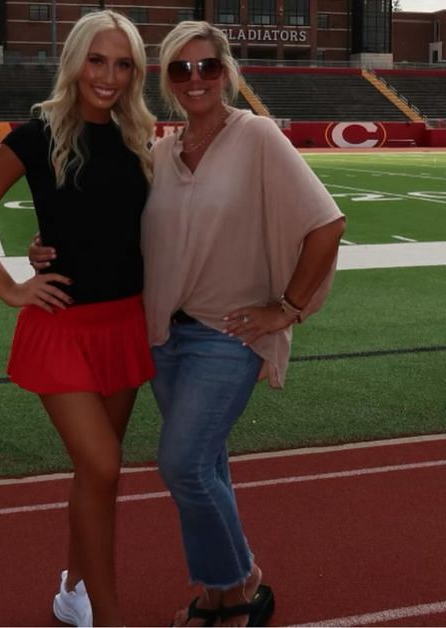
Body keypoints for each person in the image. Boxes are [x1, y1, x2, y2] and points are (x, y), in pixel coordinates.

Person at [0, 11, 156, 627]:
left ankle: (73, 589)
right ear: (75, 61)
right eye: (98, 60)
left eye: (123, 64)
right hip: (62, 325)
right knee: (103, 465)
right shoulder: (37, 134)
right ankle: (111, 615)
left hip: (125, 323)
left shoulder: (138, 135)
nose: (110, 76)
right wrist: (12, 285)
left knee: (98, 475)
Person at [146, 22, 344, 627]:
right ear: (168, 81)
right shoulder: (161, 151)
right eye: (180, 69)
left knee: (182, 463)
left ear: (228, 71)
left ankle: (242, 581)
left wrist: (285, 308)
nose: (195, 78)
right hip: (165, 337)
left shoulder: (255, 135)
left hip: (226, 333)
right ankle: (214, 595)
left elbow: (326, 224)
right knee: (207, 466)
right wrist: (52, 247)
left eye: (207, 66)